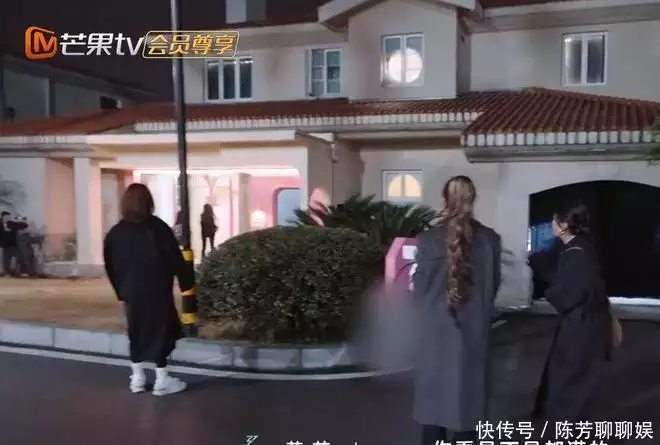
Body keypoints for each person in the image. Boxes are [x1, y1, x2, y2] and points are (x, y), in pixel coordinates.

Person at [412, 175, 502, 444]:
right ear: (473, 199)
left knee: (433, 411)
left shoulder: (427, 239)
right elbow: (493, 287)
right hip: (474, 337)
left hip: (435, 338)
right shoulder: (490, 240)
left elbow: (419, 290)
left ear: (444, 200)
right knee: (469, 410)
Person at [532, 202, 620, 421]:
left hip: (580, 329)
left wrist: (549, 289)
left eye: (555, 220)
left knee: (569, 385)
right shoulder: (583, 248)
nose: (552, 224)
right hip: (591, 326)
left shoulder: (574, 255)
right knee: (576, 384)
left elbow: (567, 296)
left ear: (564, 225)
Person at [103, 183, 193, 396]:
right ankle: (162, 379)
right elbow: (175, 259)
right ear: (148, 202)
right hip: (158, 289)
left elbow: (110, 265)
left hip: (131, 291)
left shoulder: (116, 233)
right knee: (161, 332)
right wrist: (186, 284)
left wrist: (120, 291)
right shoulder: (158, 228)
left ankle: (137, 378)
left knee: (136, 330)